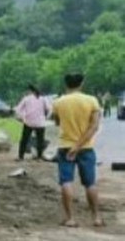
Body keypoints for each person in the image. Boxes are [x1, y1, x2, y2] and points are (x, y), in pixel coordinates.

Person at [52, 73, 103, 228]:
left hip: (64, 147)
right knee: (90, 183)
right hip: (86, 148)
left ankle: (70, 218)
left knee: (66, 181)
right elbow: (94, 126)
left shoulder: (58, 102)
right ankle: (96, 218)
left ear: (65, 84)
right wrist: (79, 145)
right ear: (81, 83)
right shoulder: (91, 100)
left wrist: (73, 146)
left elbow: (56, 122)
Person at [15, 85, 50, 161]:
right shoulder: (44, 98)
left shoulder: (26, 99)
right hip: (40, 122)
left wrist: (21, 117)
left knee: (24, 139)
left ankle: (20, 156)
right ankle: (39, 157)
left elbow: (18, 109)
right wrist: (46, 117)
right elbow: (49, 109)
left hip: (28, 122)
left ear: (30, 91)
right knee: (40, 140)